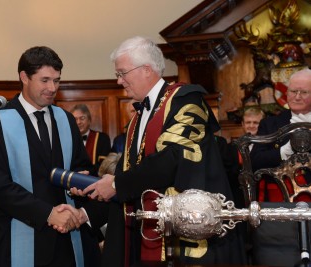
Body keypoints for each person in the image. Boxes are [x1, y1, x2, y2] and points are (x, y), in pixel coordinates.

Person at [74, 36, 246, 266]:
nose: (119, 81)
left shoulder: (186, 100)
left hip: (187, 234)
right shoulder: (137, 117)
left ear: (146, 69)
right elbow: (133, 173)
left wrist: (116, 184)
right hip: (148, 230)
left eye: (122, 73)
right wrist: (91, 202)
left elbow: (173, 159)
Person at [0, 46, 108, 267]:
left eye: (57, 80)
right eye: (44, 80)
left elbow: (82, 167)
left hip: (66, 239)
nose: (52, 88)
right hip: (17, 236)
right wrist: (47, 214)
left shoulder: (65, 120)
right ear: (24, 77)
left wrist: (82, 181)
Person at [251, 68, 311, 202]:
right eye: (293, 91)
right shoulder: (269, 124)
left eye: (304, 92)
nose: (297, 97)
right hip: (281, 200)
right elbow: (255, 162)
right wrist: (284, 152)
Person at [71, 104, 111, 175]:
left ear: (89, 120)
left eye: (82, 118)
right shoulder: (66, 140)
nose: (78, 122)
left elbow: (104, 165)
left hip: (95, 180)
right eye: (75, 119)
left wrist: (89, 172)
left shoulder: (102, 139)